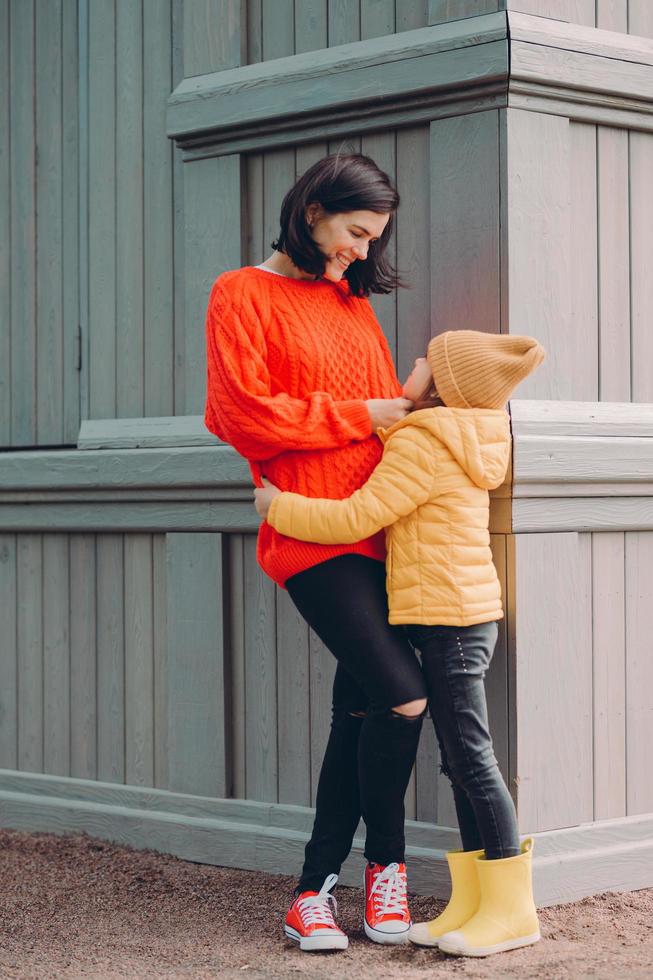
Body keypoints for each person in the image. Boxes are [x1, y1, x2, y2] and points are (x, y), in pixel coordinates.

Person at [255, 329, 546, 958]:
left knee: (473, 761)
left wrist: (280, 506)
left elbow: (358, 516)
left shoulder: (423, 444)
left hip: (450, 625)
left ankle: (512, 910)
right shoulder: (464, 438)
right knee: (461, 763)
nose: (410, 363)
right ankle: (476, 903)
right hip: (455, 620)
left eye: (424, 361)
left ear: (439, 387)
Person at [204, 153, 430, 952]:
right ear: (311, 213)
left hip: (381, 527)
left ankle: (312, 891)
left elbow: (388, 415)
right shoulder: (241, 293)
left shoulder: (349, 304)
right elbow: (240, 415)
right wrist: (365, 413)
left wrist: (402, 406)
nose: (363, 252)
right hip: (307, 528)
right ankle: (386, 871)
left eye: (375, 239)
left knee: (361, 709)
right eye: (355, 232)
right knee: (404, 696)